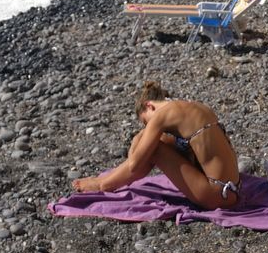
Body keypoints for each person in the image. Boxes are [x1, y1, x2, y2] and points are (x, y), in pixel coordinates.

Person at [71, 81, 241, 209]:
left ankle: (103, 185)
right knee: (161, 142)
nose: (147, 127)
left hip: (216, 195)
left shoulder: (161, 115)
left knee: (154, 149)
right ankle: (105, 180)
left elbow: (135, 164)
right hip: (232, 190)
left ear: (149, 106)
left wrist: (138, 141)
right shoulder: (193, 106)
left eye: (145, 122)